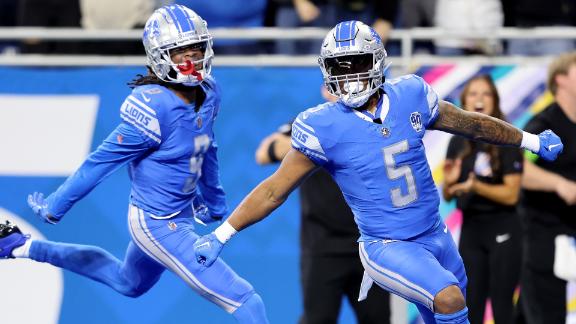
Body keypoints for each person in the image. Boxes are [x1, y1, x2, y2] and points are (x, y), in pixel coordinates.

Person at [192, 20, 563, 324]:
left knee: (449, 307)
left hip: (435, 235)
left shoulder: (411, 95)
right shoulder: (321, 125)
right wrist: (222, 235)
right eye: (340, 67)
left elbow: (470, 124)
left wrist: (528, 140)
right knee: (449, 299)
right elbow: (275, 190)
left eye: (356, 63)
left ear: (377, 62)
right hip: (386, 246)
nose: (349, 76)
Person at [0, 5, 268, 323]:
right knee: (246, 301)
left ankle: (21, 246)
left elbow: (207, 147)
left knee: (127, 282)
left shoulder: (209, 91)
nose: (192, 59)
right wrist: (56, 205)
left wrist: (213, 199)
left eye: (197, 49)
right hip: (156, 222)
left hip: (180, 213)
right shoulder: (153, 107)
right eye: (181, 51)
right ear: (160, 54)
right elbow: (99, 163)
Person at [255, 118, 391, 323]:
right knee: (318, 319)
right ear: (325, 90)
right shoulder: (310, 124)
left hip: (370, 247)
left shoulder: (373, 123)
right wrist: (307, 146)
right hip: (322, 249)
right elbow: (263, 154)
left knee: (377, 319)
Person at [442, 75, 523, 324]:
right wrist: (451, 183)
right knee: (471, 306)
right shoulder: (457, 141)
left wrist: (477, 186)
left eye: (485, 93)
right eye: (473, 93)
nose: (479, 99)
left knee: (502, 307)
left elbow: (511, 195)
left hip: (503, 230)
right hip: (471, 230)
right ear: (464, 102)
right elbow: (447, 195)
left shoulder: (507, 139)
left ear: (495, 101)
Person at [517, 51, 576, 324]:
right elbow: (520, 167)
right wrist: (559, 184)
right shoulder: (545, 126)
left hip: (571, 232)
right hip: (545, 233)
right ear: (560, 80)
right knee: (545, 313)